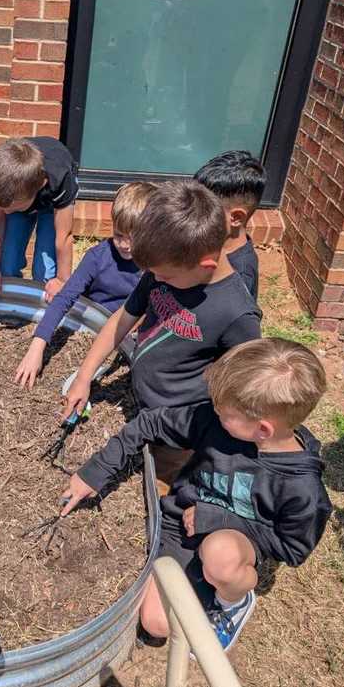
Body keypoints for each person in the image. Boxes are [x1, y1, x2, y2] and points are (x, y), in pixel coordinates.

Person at [62, 338, 331, 652]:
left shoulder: (303, 489)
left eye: (223, 411)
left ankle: (231, 602)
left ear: (262, 430)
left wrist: (220, 519)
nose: (213, 410)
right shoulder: (216, 422)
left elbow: (293, 549)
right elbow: (150, 423)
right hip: (182, 528)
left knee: (219, 554)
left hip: (232, 545)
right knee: (156, 623)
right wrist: (96, 471)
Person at [62, 181, 262, 487]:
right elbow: (122, 318)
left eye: (164, 275)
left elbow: (244, 394)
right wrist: (84, 376)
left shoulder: (237, 315)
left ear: (206, 265)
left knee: (162, 481)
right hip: (139, 402)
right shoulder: (165, 268)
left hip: (175, 431)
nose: (154, 280)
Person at [14, 181, 154, 389]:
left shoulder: (154, 264)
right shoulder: (98, 257)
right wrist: (37, 346)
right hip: (89, 326)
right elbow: (65, 298)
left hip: (125, 334)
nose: (125, 245)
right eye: (119, 235)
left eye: (133, 238)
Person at [0, 137, 79, 302]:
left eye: (11, 209)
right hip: (22, 194)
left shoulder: (60, 180)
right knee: (7, 264)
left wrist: (62, 280)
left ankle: (43, 308)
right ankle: (12, 305)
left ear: (40, 186)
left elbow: (63, 237)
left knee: (45, 272)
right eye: (1, 207)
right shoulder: (1, 182)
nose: (6, 212)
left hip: (52, 203)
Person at [194, 150, 266, 298]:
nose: (192, 213)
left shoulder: (239, 277)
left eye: (203, 209)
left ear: (236, 218)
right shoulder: (207, 242)